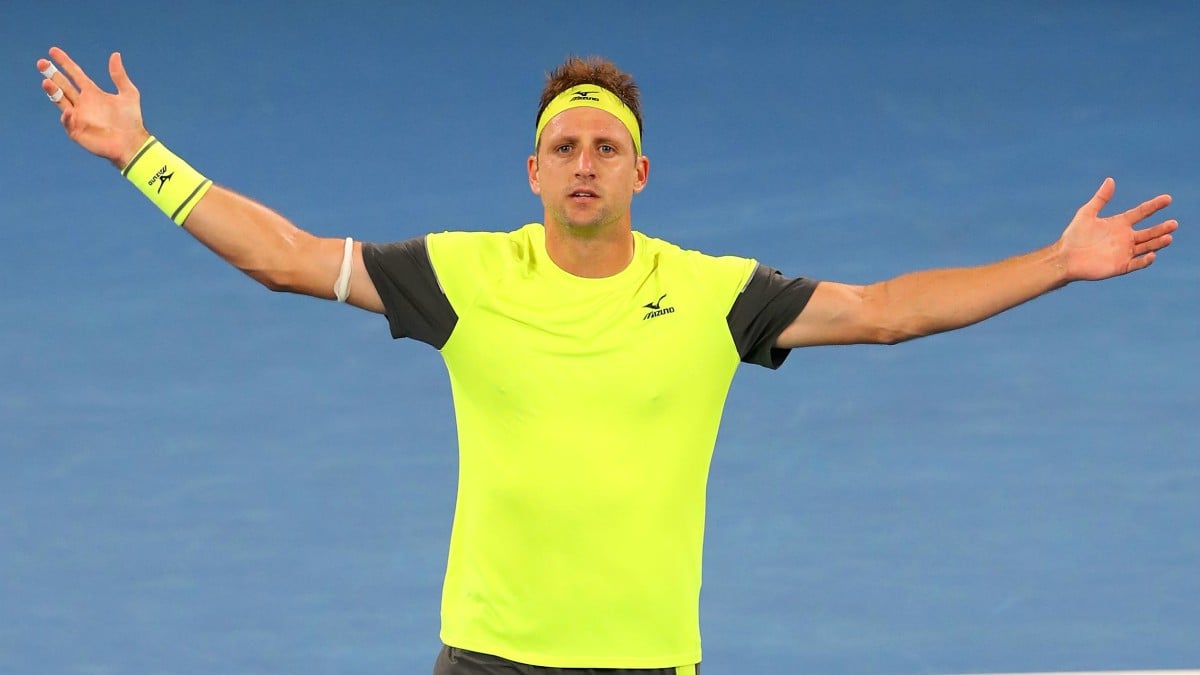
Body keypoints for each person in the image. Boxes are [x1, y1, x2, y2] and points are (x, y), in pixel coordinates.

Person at [36, 46, 1177, 675]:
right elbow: (283, 257)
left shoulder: (716, 295)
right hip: (484, 661)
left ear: (642, 173)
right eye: (566, 146)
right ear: (532, 171)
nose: (586, 162)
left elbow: (885, 311)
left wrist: (1056, 263)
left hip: (644, 669)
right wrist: (142, 155)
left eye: (607, 147)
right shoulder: (462, 277)